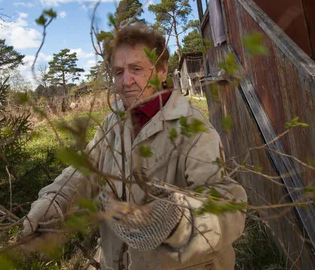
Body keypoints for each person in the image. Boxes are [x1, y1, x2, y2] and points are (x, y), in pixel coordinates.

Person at [16, 24, 247, 270]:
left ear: (161, 70)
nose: (126, 81)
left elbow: (227, 207)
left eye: (136, 69)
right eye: (118, 72)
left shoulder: (193, 130)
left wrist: (175, 220)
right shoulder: (113, 123)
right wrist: (55, 201)